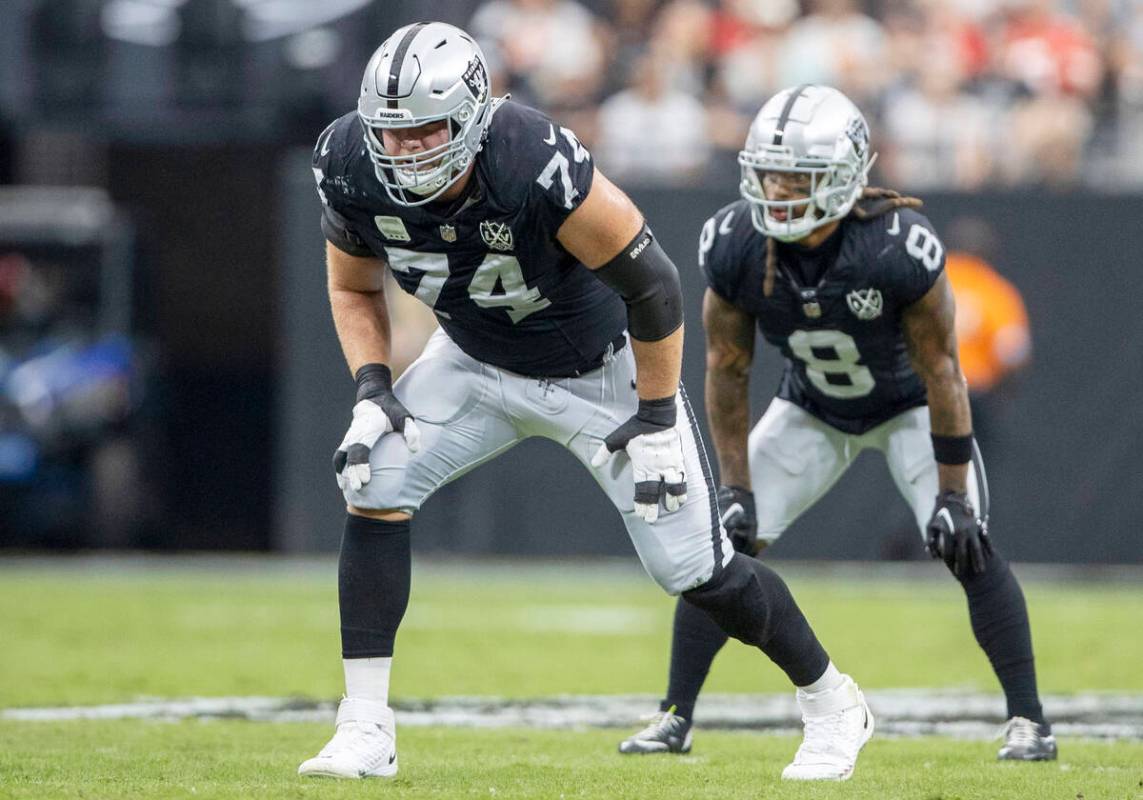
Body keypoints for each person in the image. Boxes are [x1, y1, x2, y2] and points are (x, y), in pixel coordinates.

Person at [298, 23, 871, 782]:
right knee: (373, 478)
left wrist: (660, 416)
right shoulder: (347, 161)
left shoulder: (530, 159)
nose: (406, 152)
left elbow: (655, 283)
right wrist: (372, 386)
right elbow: (352, 285)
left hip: (600, 375)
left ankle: (833, 703)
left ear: (471, 113)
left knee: (697, 570)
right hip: (471, 360)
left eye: (425, 131)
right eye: (390, 134)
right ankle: (365, 725)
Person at [618, 84, 1055, 762]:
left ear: (846, 177)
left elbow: (943, 372)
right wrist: (734, 487)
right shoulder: (735, 242)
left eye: (798, 175)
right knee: (717, 548)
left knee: (966, 543)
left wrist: (950, 491)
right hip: (812, 408)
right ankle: (674, 714)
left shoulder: (894, 245)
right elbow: (727, 369)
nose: (779, 189)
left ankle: (1029, 721)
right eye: (768, 173)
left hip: (908, 405)